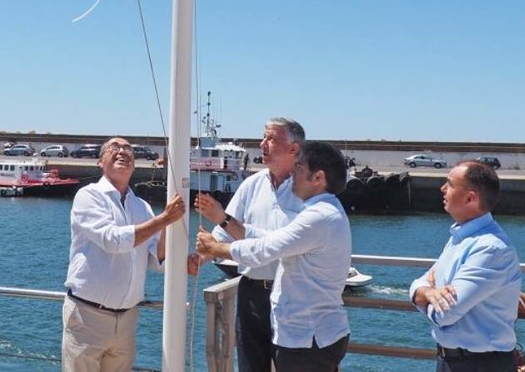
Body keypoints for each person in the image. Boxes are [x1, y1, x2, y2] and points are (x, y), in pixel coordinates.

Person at [196, 141, 351, 372]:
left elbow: (265, 249)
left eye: (299, 169)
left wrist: (216, 249)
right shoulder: (323, 212)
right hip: (310, 335)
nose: (293, 174)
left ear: (318, 177)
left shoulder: (319, 217)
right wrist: (225, 224)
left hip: (309, 338)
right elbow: (271, 239)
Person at [62, 137, 185, 372]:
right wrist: (163, 219)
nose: (122, 152)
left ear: (135, 163)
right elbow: (113, 240)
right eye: (113, 148)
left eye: (128, 148)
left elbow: (156, 261)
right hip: (88, 316)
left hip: (127, 319)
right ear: (100, 162)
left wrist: (171, 229)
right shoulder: (88, 196)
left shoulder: (142, 207)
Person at [192, 117, 305, 372]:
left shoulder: (308, 190)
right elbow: (223, 236)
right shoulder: (251, 185)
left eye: (272, 139)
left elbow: (278, 244)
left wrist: (222, 219)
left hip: (292, 294)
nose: (263, 143)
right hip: (251, 295)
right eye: (264, 137)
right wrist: (199, 258)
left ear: (294, 149)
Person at [409, 161, 521, 372]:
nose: (442, 189)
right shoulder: (459, 238)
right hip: (452, 360)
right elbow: (423, 281)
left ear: (470, 198)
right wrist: (426, 292)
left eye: (450, 184)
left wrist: (422, 295)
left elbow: (445, 315)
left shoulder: (490, 249)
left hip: (482, 364)